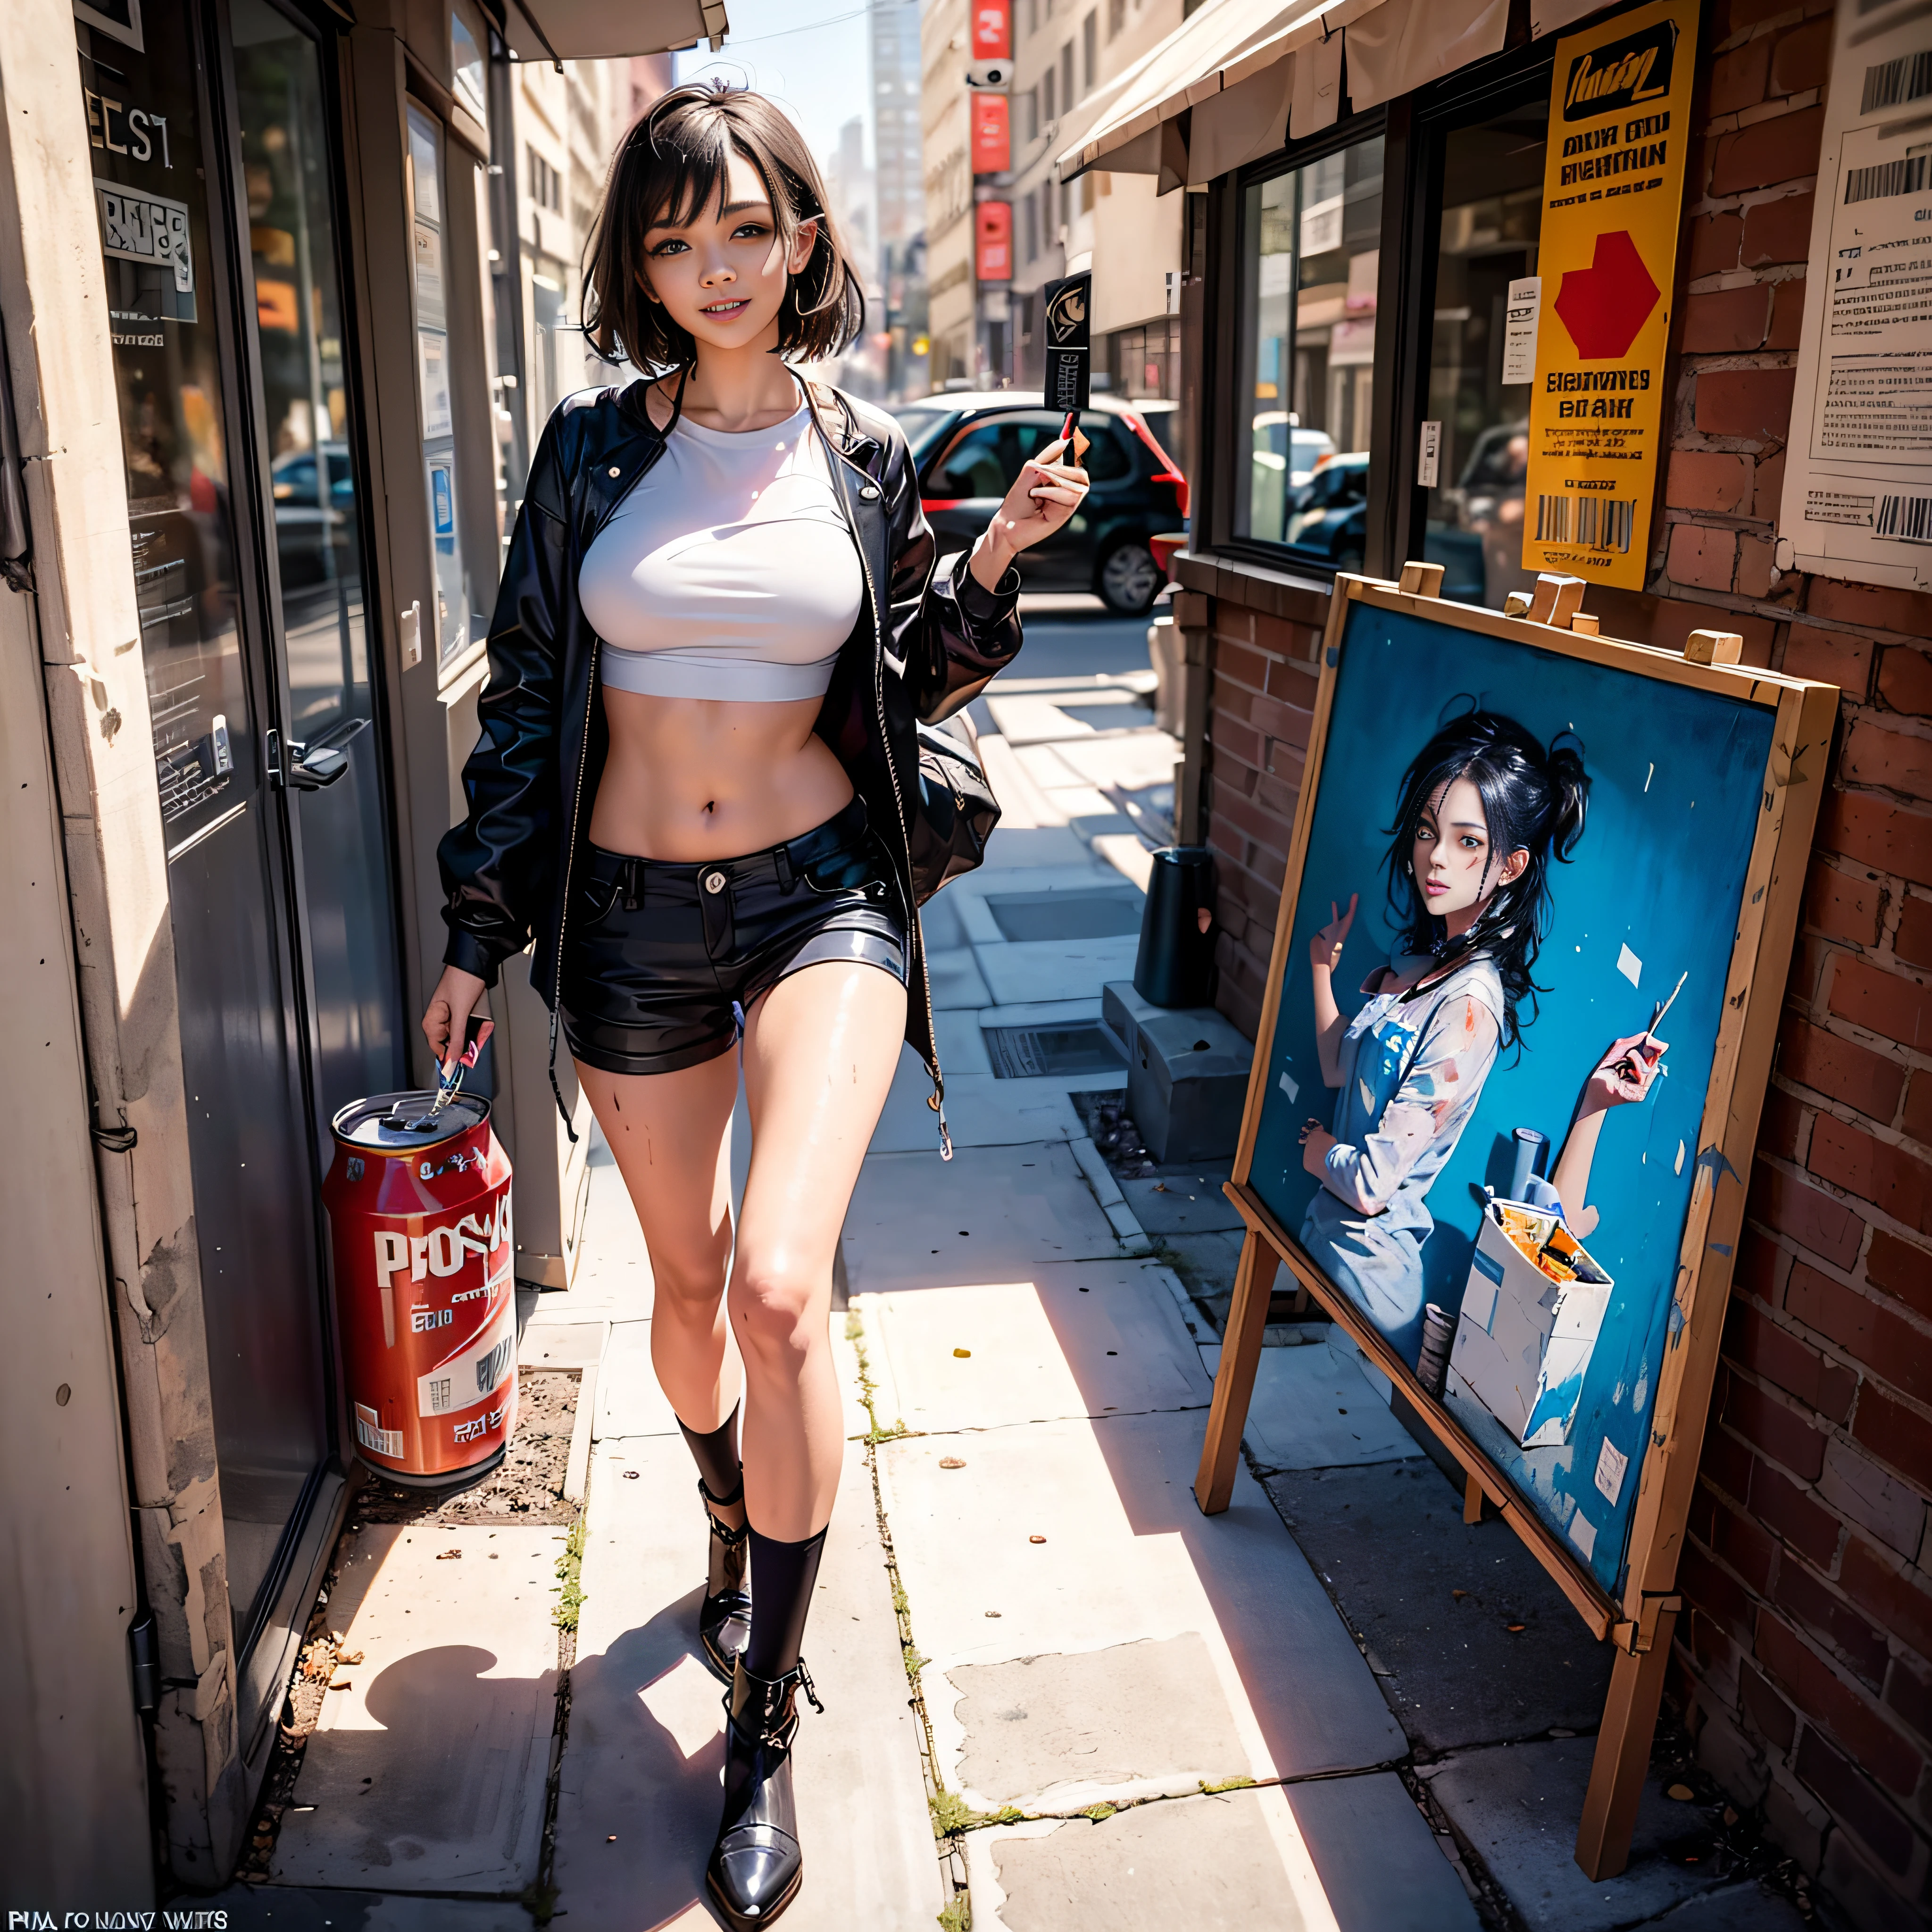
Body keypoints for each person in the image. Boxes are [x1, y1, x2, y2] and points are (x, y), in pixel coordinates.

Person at [419, 84, 1088, 1930]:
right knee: (694, 1294)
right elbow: (528, 704)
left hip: (821, 906)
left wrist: (992, 567)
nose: (713, 266)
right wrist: (480, 933)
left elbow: (891, 688)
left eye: (744, 228)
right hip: (627, 928)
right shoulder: (583, 454)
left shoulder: (866, 456)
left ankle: (764, 1720)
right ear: (645, 261)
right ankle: (728, 1510)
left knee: (784, 1287)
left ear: (802, 238)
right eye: (674, 236)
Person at [1297, 711, 1589, 1360]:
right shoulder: (1417, 964)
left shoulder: (1469, 1008)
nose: (1435, 857)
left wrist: (1318, 1154)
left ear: (1511, 866)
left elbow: (1373, 1184)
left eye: (1467, 843)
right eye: (1429, 832)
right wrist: (1323, 967)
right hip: (1327, 1251)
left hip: (1371, 1285)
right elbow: (1337, 1067)